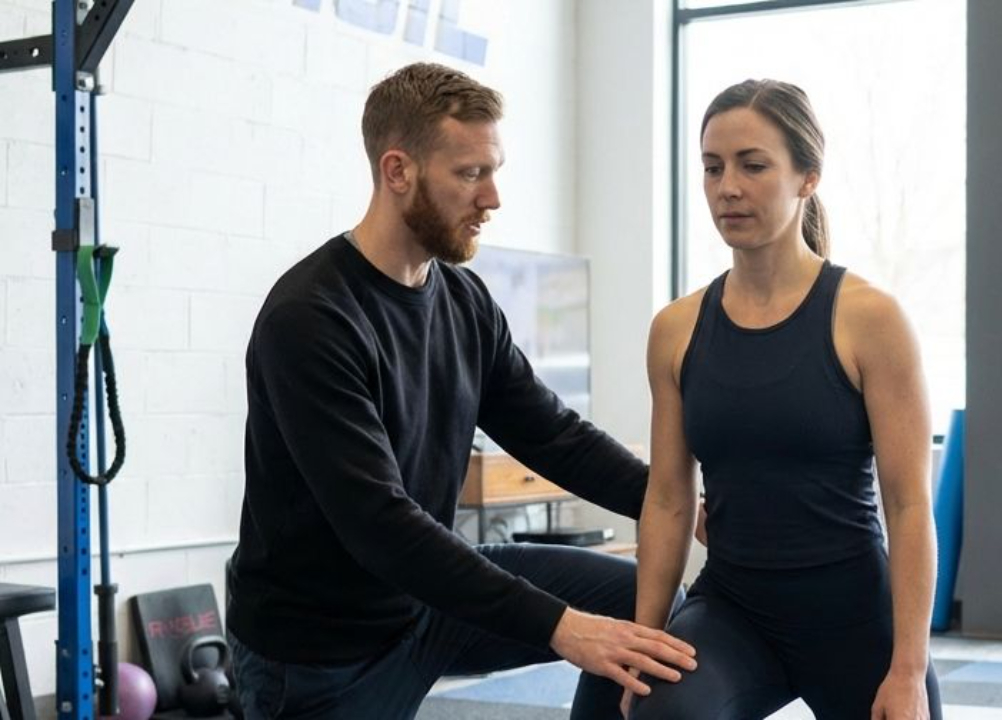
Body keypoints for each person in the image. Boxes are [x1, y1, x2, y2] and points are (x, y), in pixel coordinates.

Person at [225, 62, 695, 720]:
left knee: (648, 607)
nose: (494, 197)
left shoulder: (463, 301)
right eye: (471, 174)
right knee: (585, 626)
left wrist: (682, 506)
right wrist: (562, 627)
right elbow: (380, 524)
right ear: (398, 172)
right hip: (322, 650)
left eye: (494, 171)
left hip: (425, 601)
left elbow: (553, 435)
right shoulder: (312, 318)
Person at [625, 79, 943, 719]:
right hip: (734, 610)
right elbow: (666, 498)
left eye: (753, 165)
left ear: (807, 177)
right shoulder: (676, 330)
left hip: (854, 613)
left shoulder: (870, 319)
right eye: (713, 168)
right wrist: (645, 640)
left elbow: (909, 506)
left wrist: (907, 668)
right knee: (662, 711)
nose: (728, 187)